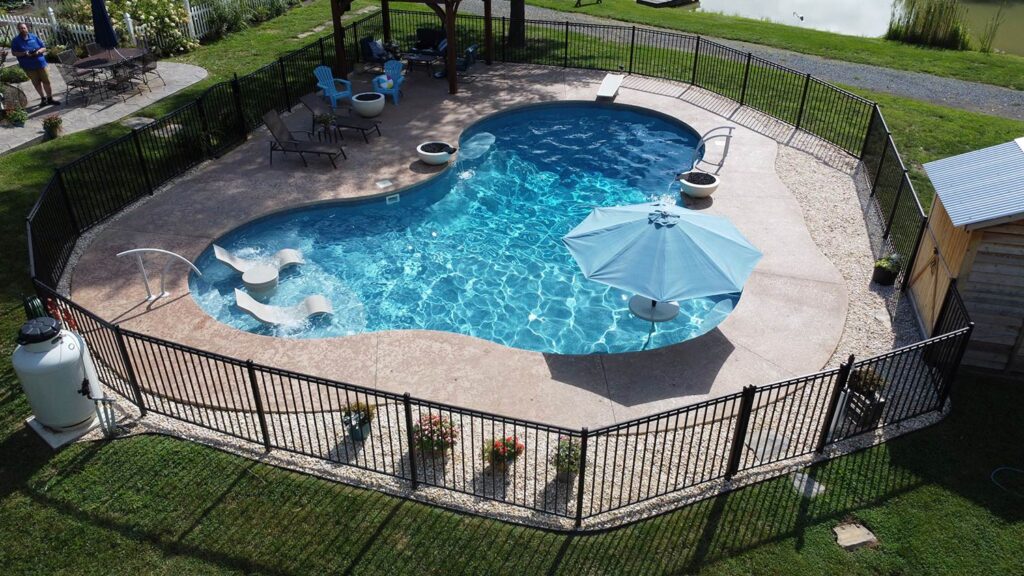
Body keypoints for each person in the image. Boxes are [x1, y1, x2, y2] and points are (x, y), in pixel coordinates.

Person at [9, 23, 58, 107]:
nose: (23, 29)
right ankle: (43, 99)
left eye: (24, 28)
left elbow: (44, 47)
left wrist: (38, 52)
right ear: (18, 30)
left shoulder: (33, 37)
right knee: (36, 83)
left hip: (41, 64)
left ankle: (50, 98)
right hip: (28, 66)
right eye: (21, 28)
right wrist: (24, 53)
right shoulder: (16, 40)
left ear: (27, 28)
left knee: (46, 81)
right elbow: (14, 53)